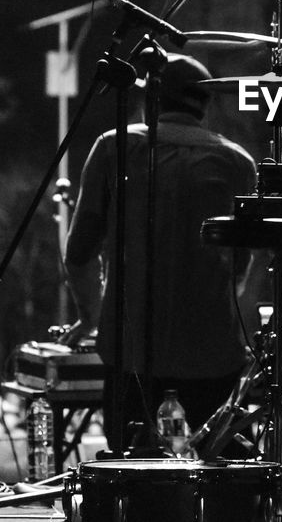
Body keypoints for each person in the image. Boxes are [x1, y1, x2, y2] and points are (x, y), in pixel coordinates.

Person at [65, 53, 256, 449]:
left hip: (131, 353)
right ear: (205, 105)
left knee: (131, 477)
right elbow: (241, 268)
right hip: (213, 355)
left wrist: (89, 320)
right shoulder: (238, 162)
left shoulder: (113, 147)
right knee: (216, 474)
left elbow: (79, 252)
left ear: (151, 98)